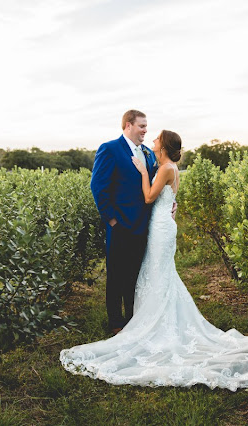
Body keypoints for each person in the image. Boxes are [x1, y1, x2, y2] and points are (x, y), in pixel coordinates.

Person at [60, 130, 248, 391]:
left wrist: (141, 173)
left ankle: (153, 323)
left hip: (160, 227)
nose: (152, 140)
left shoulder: (162, 168)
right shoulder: (165, 165)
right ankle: (146, 319)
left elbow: (149, 197)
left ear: (163, 146)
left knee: (158, 274)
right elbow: (169, 198)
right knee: (159, 274)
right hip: (160, 225)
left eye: (157, 138)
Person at [89, 110, 158, 334]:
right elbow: (98, 187)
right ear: (128, 125)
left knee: (135, 275)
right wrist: (111, 219)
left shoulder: (147, 153)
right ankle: (116, 323)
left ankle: (133, 317)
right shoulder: (109, 149)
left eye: (146, 127)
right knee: (116, 276)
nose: (145, 131)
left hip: (143, 225)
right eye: (142, 126)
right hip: (119, 226)